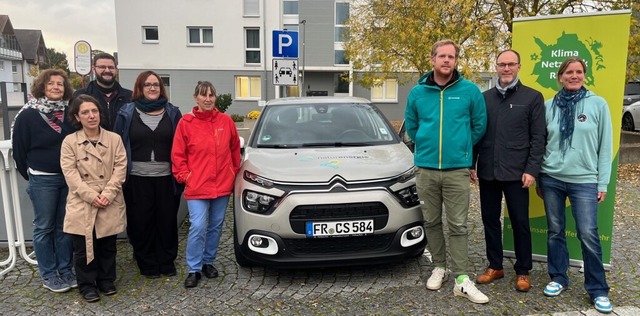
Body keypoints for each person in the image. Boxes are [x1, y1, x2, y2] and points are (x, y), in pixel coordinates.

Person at [404, 39, 488, 304]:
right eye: (442, 56)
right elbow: (413, 127)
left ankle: (462, 277)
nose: (447, 60)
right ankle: (439, 265)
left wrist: (461, 148)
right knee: (431, 221)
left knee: (459, 224)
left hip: (456, 170)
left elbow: (478, 126)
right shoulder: (418, 93)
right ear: (433, 59)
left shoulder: (469, 91)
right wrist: (427, 145)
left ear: (455, 60)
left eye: (451, 56)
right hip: (426, 169)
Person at [536, 57, 613, 313]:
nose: (574, 76)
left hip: (584, 180)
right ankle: (559, 278)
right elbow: (540, 144)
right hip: (551, 178)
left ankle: (598, 288)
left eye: (579, 72)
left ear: (584, 75)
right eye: (569, 72)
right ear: (560, 76)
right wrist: (538, 176)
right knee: (555, 231)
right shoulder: (548, 107)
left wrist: (602, 182)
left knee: (588, 234)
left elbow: (605, 147)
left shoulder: (598, 104)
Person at [471, 49, 546, 292]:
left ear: (518, 66)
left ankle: (523, 270)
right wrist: (472, 164)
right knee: (489, 220)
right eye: (502, 64)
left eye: (511, 64)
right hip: (488, 172)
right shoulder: (484, 98)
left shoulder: (533, 98)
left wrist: (532, 169)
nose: (506, 68)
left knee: (520, 221)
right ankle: (495, 266)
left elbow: (538, 137)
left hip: (517, 173)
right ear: (496, 67)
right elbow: (476, 135)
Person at [11, 69, 77, 293]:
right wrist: (32, 175)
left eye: (60, 84)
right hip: (42, 180)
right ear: (42, 86)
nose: (56, 87)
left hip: (68, 179)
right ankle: (49, 274)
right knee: (43, 227)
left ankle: (66, 270)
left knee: (64, 226)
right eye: (51, 84)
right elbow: (19, 151)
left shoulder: (69, 113)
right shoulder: (28, 115)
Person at [113, 71, 183, 278]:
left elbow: (182, 143)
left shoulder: (172, 112)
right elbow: (117, 144)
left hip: (166, 178)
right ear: (139, 88)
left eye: (156, 84)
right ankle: (146, 262)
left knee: (167, 221)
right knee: (141, 222)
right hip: (136, 178)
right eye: (147, 85)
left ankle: (166, 260)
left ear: (161, 88)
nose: (152, 88)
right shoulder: (126, 113)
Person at [171, 81, 240, 288]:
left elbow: (235, 149)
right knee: (198, 226)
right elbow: (178, 154)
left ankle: (208, 261)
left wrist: (233, 171)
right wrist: (185, 176)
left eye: (211, 95)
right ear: (196, 98)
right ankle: (194, 267)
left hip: (221, 184)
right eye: (204, 95)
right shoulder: (186, 123)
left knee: (216, 226)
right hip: (197, 185)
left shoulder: (226, 121)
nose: (208, 99)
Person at [60, 95, 127, 302]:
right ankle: (87, 284)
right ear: (77, 117)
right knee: (83, 246)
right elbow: (70, 173)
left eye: (94, 111)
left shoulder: (114, 139)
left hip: (109, 196)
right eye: (85, 112)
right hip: (82, 200)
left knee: (107, 243)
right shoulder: (70, 142)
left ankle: (107, 280)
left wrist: (106, 194)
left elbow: (121, 168)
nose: (91, 116)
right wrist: (91, 196)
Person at [73, 52, 132, 130]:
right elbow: (74, 125)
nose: (107, 70)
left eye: (111, 67)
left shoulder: (130, 97)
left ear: (116, 70)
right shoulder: (80, 96)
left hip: (122, 142)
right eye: (102, 67)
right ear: (94, 69)